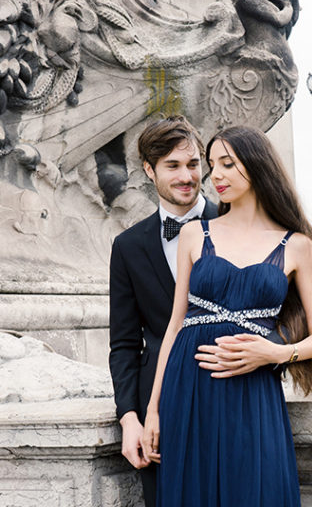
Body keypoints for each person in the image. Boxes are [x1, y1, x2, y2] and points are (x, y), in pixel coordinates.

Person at [142, 125, 312, 507]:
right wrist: (152, 411)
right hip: (188, 388)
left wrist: (271, 354)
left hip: (253, 391)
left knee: (257, 489)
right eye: (212, 165)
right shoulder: (194, 234)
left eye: (227, 164)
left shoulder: (297, 245)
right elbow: (174, 326)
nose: (214, 175)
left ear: (256, 167)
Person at [109, 116, 218, 507]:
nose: (186, 176)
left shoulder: (234, 221)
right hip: (161, 419)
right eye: (172, 166)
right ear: (149, 170)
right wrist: (129, 417)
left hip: (230, 395)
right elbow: (123, 344)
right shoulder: (127, 246)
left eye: (193, 164)